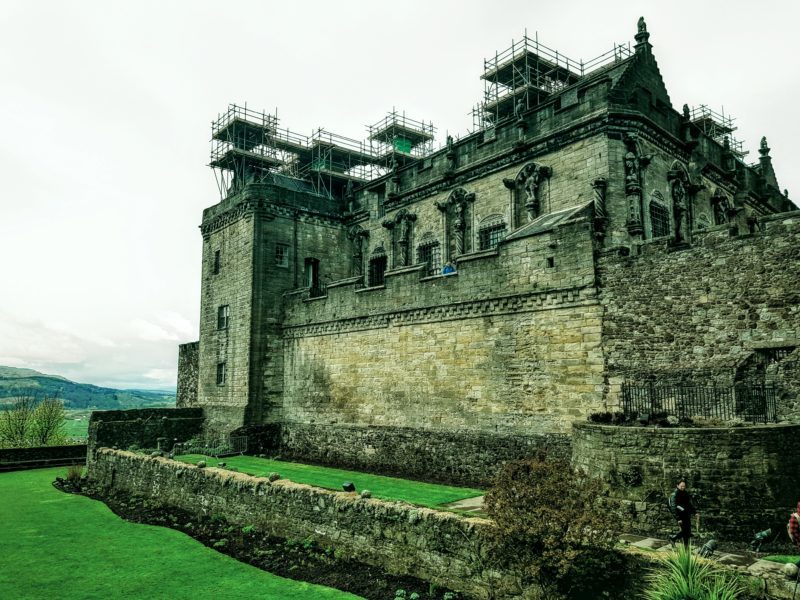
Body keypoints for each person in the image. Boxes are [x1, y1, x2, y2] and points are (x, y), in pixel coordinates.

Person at [668, 480, 697, 548]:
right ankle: (673, 539)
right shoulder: (674, 495)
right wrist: (678, 518)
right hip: (680, 515)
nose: (683, 487)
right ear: (677, 486)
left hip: (686, 514)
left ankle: (683, 545)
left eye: (684, 486)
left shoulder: (685, 493)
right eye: (681, 486)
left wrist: (695, 512)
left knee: (688, 531)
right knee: (685, 531)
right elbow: (673, 507)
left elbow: (689, 504)